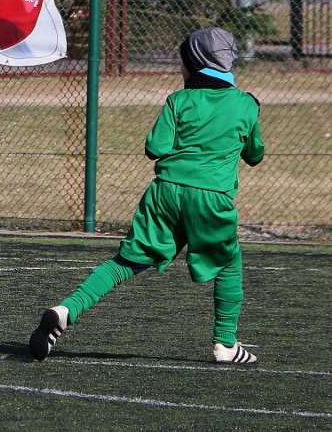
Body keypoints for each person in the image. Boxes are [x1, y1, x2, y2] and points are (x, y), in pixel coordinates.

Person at [29, 28, 265, 364]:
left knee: (126, 262)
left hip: (165, 194)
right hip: (212, 199)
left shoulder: (178, 100)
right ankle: (226, 345)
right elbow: (255, 155)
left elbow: (154, 148)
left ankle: (67, 309)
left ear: (195, 64)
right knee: (228, 265)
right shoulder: (245, 104)